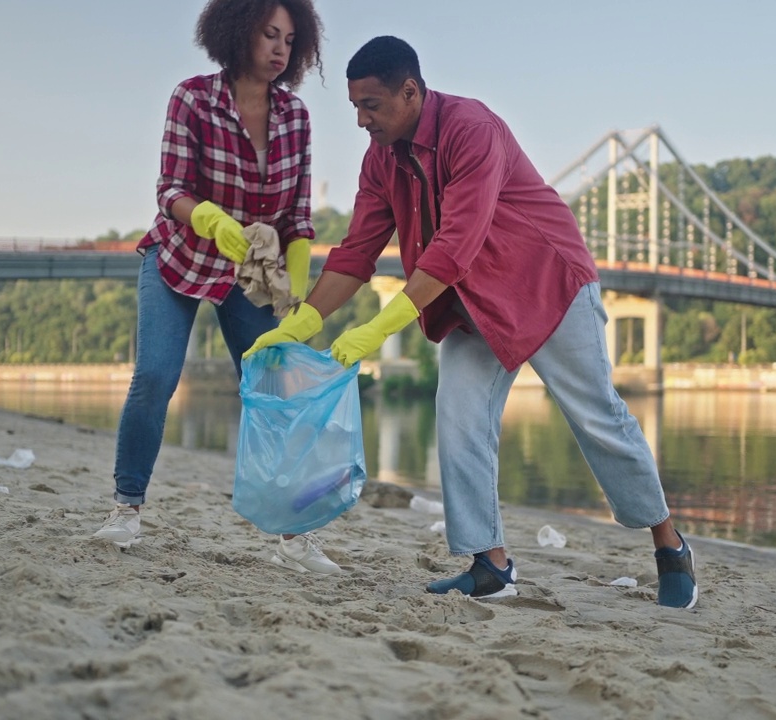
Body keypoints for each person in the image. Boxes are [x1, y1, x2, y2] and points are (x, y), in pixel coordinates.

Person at [245, 36, 698, 607]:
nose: (361, 120)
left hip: (546, 282)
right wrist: (301, 320)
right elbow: (357, 252)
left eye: (372, 105)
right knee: (458, 414)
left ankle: (669, 545)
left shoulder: (471, 129)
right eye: (355, 107)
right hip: (469, 302)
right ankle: (491, 565)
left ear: (410, 91)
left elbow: (456, 242)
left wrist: (378, 329)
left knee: (597, 416)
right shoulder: (380, 159)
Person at [93, 0, 338, 575]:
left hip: (250, 277)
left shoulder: (296, 117)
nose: (279, 48)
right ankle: (126, 510)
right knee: (154, 376)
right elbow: (170, 190)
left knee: (276, 392)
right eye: (267, 34)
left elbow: (298, 219)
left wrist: (294, 296)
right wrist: (213, 222)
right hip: (179, 255)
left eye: (289, 38)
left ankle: (294, 537)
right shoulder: (193, 98)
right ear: (235, 32)